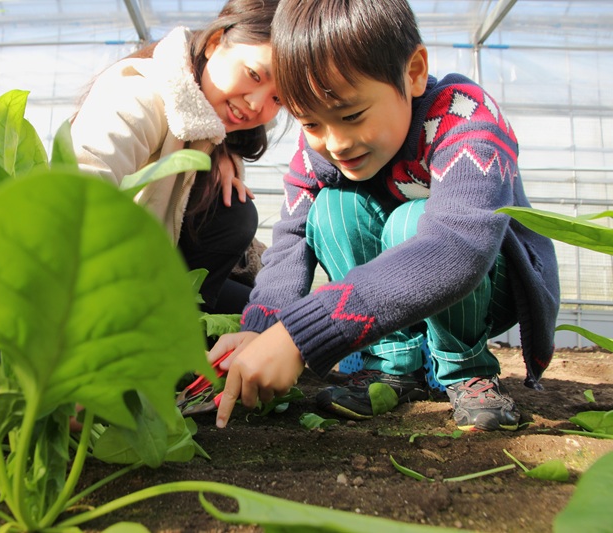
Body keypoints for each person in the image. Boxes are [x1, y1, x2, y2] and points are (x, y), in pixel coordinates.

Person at [209, 0, 560, 432]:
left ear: (413, 73)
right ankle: (392, 367)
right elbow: (291, 237)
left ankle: (467, 370)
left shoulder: (463, 119)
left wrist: (302, 335)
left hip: (490, 279)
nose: (335, 143)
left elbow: (456, 249)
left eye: (352, 115)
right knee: (332, 211)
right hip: (391, 295)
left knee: (411, 223)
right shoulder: (321, 151)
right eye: (311, 124)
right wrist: (263, 327)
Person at [71, 0, 282, 315]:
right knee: (238, 217)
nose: (256, 104)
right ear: (214, 43)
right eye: (253, 74)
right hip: (114, 285)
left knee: (260, 315)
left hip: (164, 279)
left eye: (277, 98)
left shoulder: (217, 130)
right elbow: (79, 186)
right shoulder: (139, 96)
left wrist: (221, 152)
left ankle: (187, 332)